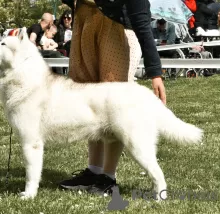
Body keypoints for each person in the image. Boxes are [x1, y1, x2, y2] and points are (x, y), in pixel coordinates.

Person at [59, 0, 166, 195]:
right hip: (84, 25)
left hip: (116, 30)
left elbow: (140, 16)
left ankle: (108, 177)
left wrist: (155, 72)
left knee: (114, 105)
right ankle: (94, 171)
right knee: (88, 103)